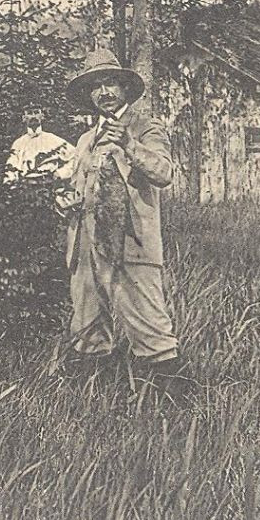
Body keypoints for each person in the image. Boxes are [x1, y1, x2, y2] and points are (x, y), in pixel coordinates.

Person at [58, 49, 184, 388]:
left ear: (125, 88)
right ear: (89, 95)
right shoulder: (86, 139)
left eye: (111, 83)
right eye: (96, 86)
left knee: (150, 327)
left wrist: (129, 143)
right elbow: (79, 187)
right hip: (86, 249)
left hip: (132, 243)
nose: (105, 93)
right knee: (88, 329)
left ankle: (174, 409)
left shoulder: (146, 128)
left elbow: (163, 172)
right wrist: (68, 199)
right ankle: (98, 405)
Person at [4, 103, 75, 186]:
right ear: (24, 118)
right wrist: (10, 186)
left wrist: (60, 173)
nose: (34, 116)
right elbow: (11, 168)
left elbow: (76, 158)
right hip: (26, 187)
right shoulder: (18, 143)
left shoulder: (53, 139)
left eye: (37, 112)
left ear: (42, 116)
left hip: (49, 185)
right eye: (30, 113)